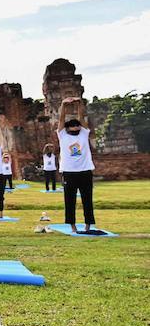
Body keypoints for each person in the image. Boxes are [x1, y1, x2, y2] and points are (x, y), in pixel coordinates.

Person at [57, 97, 101, 233]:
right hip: (69, 172)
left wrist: (79, 104)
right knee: (69, 201)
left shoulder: (83, 133)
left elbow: (82, 117)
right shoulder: (62, 134)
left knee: (87, 199)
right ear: (68, 128)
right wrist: (63, 105)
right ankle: (72, 226)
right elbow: (61, 119)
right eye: (72, 126)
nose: (75, 128)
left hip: (85, 171)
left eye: (77, 126)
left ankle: (88, 224)